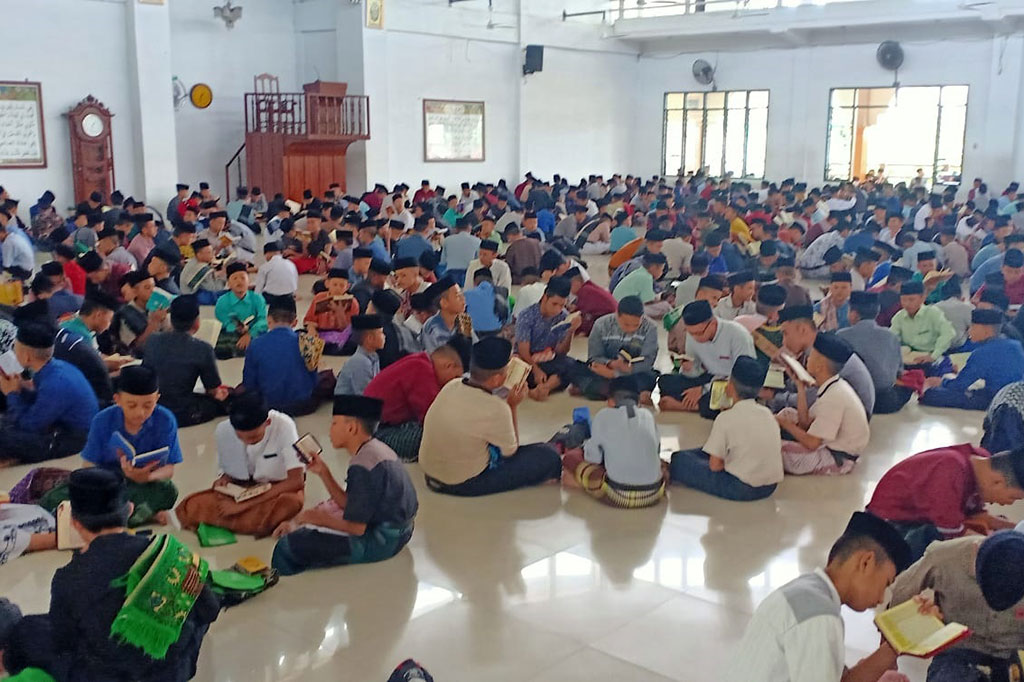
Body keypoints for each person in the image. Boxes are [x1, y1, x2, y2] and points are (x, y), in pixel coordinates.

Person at [1, 468, 219, 682]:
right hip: (175, 671)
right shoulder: (170, 552)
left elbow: (63, 642)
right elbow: (209, 609)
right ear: (129, 510)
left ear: (74, 521)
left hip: (108, 677)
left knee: (27, 630)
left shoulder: (69, 578)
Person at [724, 511, 912, 682]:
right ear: (866, 562)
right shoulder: (819, 616)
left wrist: (893, 649)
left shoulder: (806, 592)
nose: (881, 599)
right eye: (886, 583)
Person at [271, 395, 418, 575]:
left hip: (383, 541)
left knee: (288, 546)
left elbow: (357, 528)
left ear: (351, 427)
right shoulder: (374, 448)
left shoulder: (363, 465)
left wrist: (315, 518)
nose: (329, 430)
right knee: (319, 513)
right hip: (400, 531)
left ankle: (287, 589)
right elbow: (351, 504)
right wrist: (323, 472)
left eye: (334, 423)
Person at [419, 337, 562, 496]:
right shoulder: (497, 408)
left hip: (430, 473)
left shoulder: (452, 385)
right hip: (461, 483)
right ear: (497, 379)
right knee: (549, 455)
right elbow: (510, 452)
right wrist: (512, 405)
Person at [42, 365, 180, 527]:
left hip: (144, 484)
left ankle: (104, 519)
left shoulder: (165, 420)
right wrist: (104, 486)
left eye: (148, 405)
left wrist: (146, 477)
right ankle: (135, 515)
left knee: (168, 490)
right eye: (132, 405)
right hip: (105, 484)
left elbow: (169, 470)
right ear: (118, 400)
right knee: (54, 498)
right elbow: (88, 466)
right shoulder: (103, 420)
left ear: (157, 398)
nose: (140, 413)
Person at [172, 391, 305, 538]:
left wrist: (243, 506)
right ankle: (254, 523)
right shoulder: (224, 429)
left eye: (253, 437)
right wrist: (224, 478)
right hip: (242, 489)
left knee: (291, 502)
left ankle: (238, 520)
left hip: (277, 489)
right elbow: (229, 469)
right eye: (240, 437)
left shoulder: (284, 426)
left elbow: (296, 481)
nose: (247, 442)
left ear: (267, 423)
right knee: (192, 505)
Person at [868, 442, 1024, 561]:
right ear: (997, 482)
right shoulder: (950, 471)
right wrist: (1002, 545)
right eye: (1013, 498)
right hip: (887, 527)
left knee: (997, 529)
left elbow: (978, 515)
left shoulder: (981, 464)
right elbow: (954, 532)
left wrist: (1016, 529)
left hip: (923, 518)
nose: (1009, 503)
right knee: (968, 550)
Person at [670, 356, 783, 501]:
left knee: (679, 460)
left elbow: (715, 466)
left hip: (741, 488)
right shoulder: (768, 414)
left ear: (729, 386)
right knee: (707, 450)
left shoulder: (725, 418)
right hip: (769, 487)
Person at [0, 321, 98, 464]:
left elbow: (29, 426)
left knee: (4, 437)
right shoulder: (55, 367)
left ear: (27, 357)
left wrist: (12, 394)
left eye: (15, 348)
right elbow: (39, 402)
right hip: (59, 426)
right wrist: (20, 388)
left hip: (71, 439)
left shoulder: (56, 382)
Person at [561, 375, 666, 508]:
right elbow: (656, 451)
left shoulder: (603, 415)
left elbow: (592, 457)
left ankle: (582, 483)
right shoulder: (648, 416)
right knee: (659, 463)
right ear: (638, 401)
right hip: (654, 493)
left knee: (571, 457)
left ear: (610, 401)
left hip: (618, 495)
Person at [776, 333, 870, 475]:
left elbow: (813, 443)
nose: (807, 359)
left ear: (820, 366)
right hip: (827, 444)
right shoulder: (834, 384)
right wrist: (800, 388)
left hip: (835, 457)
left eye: (811, 356)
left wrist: (784, 424)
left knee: (774, 448)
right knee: (787, 412)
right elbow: (805, 424)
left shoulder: (834, 397)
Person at [364, 342, 467, 462]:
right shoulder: (422, 370)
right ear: (449, 366)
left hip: (380, 423)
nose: (453, 384)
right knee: (439, 438)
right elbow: (432, 418)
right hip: (377, 433)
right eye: (455, 377)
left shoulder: (419, 362)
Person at [658, 300, 755, 418]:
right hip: (708, 377)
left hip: (731, 382)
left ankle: (686, 406)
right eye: (691, 333)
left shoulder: (738, 335)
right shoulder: (693, 334)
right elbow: (697, 371)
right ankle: (698, 403)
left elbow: (745, 374)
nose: (695, 338)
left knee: (726, 399)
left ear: (713, 323)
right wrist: (690, 369)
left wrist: (703, 389)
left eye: (699, 333)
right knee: (665, 381)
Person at [143, 296, 228, 427]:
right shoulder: (203, 348)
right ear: (197, 322)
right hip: (183, 412)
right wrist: (220, 393)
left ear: (171, 319)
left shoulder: (152, 340)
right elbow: (212, 389)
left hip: (152, 407)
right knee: (224, 402)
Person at [242, 298, 334, 416]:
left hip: (267, 405)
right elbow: (314, 380)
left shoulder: (255, 344)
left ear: (268, 320)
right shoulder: (309, 342)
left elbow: (249, 383)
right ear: (295, 322)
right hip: (302, 405)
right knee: (327, 377)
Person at [920, 308, 1024, 410]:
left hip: (997, 399)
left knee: (931, 395)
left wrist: (940, 382)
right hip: (1019, 396)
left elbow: (959, 385)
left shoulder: (982, 353)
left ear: (986, 330)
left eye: (972, 327)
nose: (969, 331)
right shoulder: (1015, 344)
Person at [839, 291, 911, 414]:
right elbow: (899, 372)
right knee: (907, 388)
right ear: (876, 312)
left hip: (854, 399)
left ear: (854, 314)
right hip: (886, 401)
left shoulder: (842, 335)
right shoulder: (891, 336)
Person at [577, 296, 659, 401]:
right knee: (578, 367)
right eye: (626, 324)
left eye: (636, 325)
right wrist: (611, 364)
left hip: (633, 373)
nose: (631, 329)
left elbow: (648, 362)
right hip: (605, 370)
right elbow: (594, 357)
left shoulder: (650, 328)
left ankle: (606, 390)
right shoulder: (601, 324)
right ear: (617, 315)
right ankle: (628, 392)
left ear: (642, 317)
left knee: (649, 376)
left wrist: (617, 374)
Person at [515, 277, 584, 400]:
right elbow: (523, 349)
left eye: (562, 305)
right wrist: (535, 370)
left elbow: (561, 352)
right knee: (514, 370)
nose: (557, 309)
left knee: (572, 364)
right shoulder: (527, 315)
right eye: (554, 304)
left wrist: (571, 332)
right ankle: (543, 387)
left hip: (547, 359)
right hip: (527, 361)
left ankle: (544, 388)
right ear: (545, 297)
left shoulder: (563, 316)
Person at [890, 280, 958, 374]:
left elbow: (948, 333)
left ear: (922, 298)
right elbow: (892, 338)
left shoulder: (933, 313)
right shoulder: (899, 317)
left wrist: (933, 356)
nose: (907, 304)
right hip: (909, 359)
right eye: (903, 300)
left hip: (930, 356)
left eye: (911, 300)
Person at [213, 262, 269, 359]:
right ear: (229, 284)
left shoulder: (257, 298)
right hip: (232, 333)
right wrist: (237, 328)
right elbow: (224, 322)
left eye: (243, 278)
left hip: (254, 331)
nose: (239, 281)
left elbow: (263, 320)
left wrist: (249, 334)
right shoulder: (222, 301)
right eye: (235, 278)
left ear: (249, 281)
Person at [304, 267, 360, 355]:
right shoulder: (319, 297)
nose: (338, 288)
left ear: (348, 286)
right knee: (299, 335)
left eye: (342, 285)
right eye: (335, 284)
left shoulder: (353, 303)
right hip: (321, 333)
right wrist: (311, 329)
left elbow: (347, 329)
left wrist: (340, 312)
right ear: (327, 284)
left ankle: (323, 347)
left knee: (353, 343)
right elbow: (310, 319)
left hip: (340, 336)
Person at [115, 270, 170, 357]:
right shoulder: (125, 313)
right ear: (135, 291)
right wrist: (154, 322)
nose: (152, 291)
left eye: (153, 286)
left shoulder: (156, 307)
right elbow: (136, 346)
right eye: (147, 287)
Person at [334, 314, 385, 395]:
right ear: (370, 339)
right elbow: (365, 394)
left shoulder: (374, 356)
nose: (384, 336)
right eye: (381, 333)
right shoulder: (360, 362)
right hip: (350, 405)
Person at [421, 276, 472, 353]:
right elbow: (438, 357)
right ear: (444, 303)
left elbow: (473, 347)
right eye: (458, 296)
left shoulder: (465, 320)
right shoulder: (432, 327)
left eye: (462, 294)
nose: (463, 299)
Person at [613, 252, 671, 319]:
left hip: (617, 304)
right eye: (662, 269)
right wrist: (662, 301)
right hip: (624, 309)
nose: (661, 273)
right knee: (665, 307)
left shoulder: (640, 271)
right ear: (654, 267)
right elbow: (648, 301)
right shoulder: (647, 277)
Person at [463, 268, 508, 336]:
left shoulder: (466, 294)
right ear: (492, 281)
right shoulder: (502, 292)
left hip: (473, 335)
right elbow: (506, 317)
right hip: (496, 333)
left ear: (474, 282)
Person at [254, 240, 299, 307]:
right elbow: (295, 281)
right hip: (289, 296)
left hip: (272, 298)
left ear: (267, 253)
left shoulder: (264, 267)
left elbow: (258, 289)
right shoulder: (291, 264)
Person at [440, 217, 480, 286]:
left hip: (450, 274)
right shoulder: (477, 241)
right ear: (469, 227)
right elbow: (477, 261)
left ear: (456, 228)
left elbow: (443, 261)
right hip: (468, 274)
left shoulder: (447, 240)